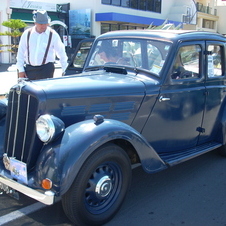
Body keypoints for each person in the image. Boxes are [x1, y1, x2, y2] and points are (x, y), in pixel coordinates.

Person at [16, 10, 68, 80]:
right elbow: (21, 52)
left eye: (45, 23)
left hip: (46, 69)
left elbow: (61, 53)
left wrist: (65, 70)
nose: (43, 26)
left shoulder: (53, 34)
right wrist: (21, 69)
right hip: (29, 68)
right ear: (35, 23)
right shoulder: (27, 33)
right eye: (41, 24)